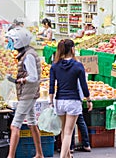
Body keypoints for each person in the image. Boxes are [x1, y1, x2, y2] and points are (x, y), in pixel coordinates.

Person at [49, 39, 93, 158]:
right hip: (73, 101)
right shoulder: (78, 65)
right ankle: (63, 157)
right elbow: (84, 85)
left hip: (59, 101)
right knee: (69, 132)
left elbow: (51, 85)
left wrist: (50, 101)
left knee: (64, 131)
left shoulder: (55, 65)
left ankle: (68, 156)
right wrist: (88, 100)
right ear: (72, 49)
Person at [6, 27, 44, 158]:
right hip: (30, 93)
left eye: (11, 41)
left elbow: (33, 77)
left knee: (15, 125)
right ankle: (39, 153)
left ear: (18, 41)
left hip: (28, 94)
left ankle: (10, 156)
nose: (9, 43)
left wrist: (21, 80)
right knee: (32, 123)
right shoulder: (28, 53)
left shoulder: (28, 56)